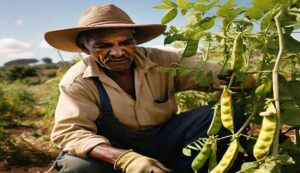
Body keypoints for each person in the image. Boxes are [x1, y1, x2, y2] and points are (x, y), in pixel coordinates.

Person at [45, 3, 246, 173]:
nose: (117, 52)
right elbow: (71, 133)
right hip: (113, 146)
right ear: (84, 48)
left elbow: (219, 76)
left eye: (126, 42)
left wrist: (254, 82)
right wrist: (126, 159)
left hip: (165, 138)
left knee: (216, 116)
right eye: (102, 46)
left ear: (135, 39)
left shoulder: (164, 61)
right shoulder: (78, 81)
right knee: (78, 167)